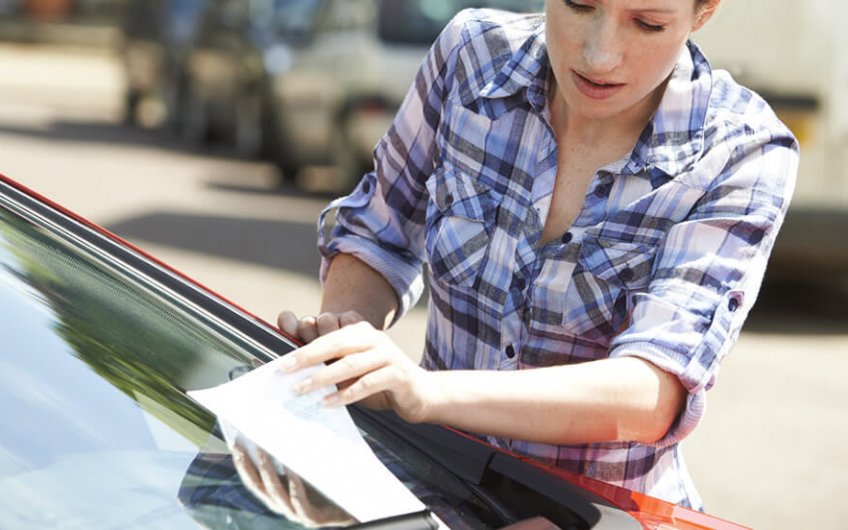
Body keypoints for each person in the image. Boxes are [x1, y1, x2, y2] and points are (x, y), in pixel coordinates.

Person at [275, 0, 798, 510]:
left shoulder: (743, 150)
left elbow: (654, 388)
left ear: (703, 13)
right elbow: (379, 230)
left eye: (646, 23)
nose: (599, 55)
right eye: (578, 5)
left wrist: (425, 393)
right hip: (428, 489)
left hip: (597, 514)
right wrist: (341, 354)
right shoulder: (470, 57)